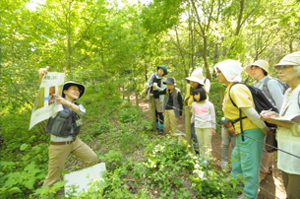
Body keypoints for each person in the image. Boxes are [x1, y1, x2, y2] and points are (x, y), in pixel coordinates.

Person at [215, 59, 268, 199]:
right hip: (241, 131)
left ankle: (250, 194)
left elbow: (251, 112)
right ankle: (235, 180)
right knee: (237, 157)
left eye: (219, 71)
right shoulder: (230, 88)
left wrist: (264, 129)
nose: (217, 74)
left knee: (250, 163)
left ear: (228, 72)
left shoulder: (236, 88)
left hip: (250, 130)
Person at [38, 67, 98, 187]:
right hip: (59, 146)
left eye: (78, 91)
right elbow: (45, 94)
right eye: (74, 89)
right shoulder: (55, 103)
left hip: (75, 142)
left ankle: (87, 184)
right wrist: (41, 77)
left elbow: (82, 112)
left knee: (93, 159)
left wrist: (67, 103)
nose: (77, 92)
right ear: (64, 91)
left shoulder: (76, 105)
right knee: (52, 179)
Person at [260, 51, 300, 199]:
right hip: (286, 153)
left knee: (294, 195)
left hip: (297, 156)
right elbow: (292, 116)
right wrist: (277, 117)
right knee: (289, 191)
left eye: (285, 67)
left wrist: (286, 124)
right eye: (279, 68)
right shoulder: (289, 91)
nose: (280, 71)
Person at [244, 60, 285, 182]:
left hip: (270, 119)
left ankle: (262, 171)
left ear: (263, 69)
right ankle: (268, 167)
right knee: (264, 143)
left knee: (266, 145)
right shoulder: (255, 84)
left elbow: (280, 102)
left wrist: (279, 120)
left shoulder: (270, 83)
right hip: (259, 118)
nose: (254, 70)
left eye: (257, 67)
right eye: (253, 67)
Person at [184, 68, 208, 152]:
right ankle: (192, 149)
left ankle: (198, 151)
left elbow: (204, 104)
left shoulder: (202, 90)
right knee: (189, 132)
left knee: (195, 134)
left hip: (197, 115)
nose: (191, 83)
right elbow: (187, 97)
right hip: (188, 112)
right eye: (191, 81)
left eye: (194, 81)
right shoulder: (188, 87)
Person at [191, 87, 216, 163]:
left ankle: (207, 159)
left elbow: (213, 116)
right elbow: (194, 115)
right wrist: (191, 121)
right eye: (194, 95)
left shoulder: (209, 105)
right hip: (197, 126)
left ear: (202, 94)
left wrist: (213, 127)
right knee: (200, 143)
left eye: (197, 94)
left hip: (207, 127)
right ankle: (202, 157)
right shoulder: (194, 104)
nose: (195, 96)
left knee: (207, 144)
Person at [145, 65, 168, 134]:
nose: (160, 72)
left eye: (162, 71)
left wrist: (156, 87)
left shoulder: (164, 80)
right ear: (157, 70)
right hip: (151, 97)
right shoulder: (153, 76)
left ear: (164, 73)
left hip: (159, 98)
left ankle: (161, 128)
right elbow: (148, 82)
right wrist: (147, 85)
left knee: (160, 113)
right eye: (160, 70)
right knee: (154, 112)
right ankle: (156, 126)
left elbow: (163, 90)